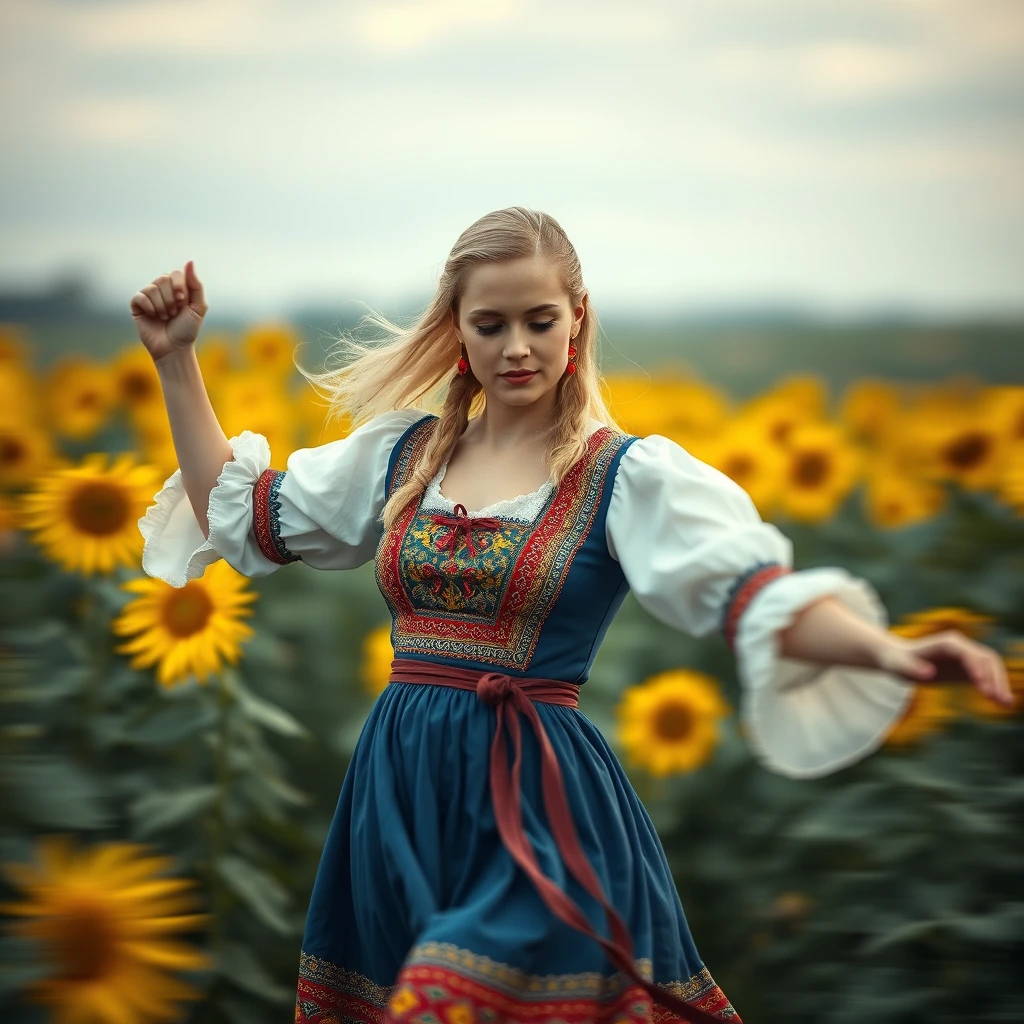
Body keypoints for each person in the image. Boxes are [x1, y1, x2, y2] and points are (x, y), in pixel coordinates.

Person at [130, 207, 1011, 1024]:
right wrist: (176, 359)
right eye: (491, 324)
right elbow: (239, 516)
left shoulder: (626, 476)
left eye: (539, 321)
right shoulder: (399, 457)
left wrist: (887, 653)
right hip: (396, 791)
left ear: (578, 317)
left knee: (446, 1000)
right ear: (458, 331)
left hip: (534, 802)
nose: (517, 347)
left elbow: (750, 597)